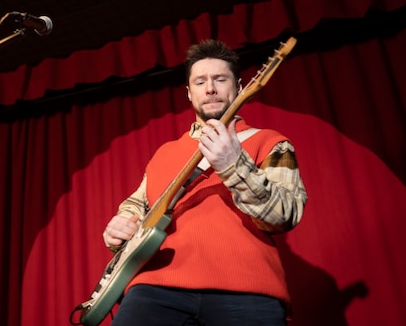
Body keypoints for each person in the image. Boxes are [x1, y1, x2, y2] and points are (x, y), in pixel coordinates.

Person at [102, 39, 308, 326]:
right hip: (155, 288)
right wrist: (121, 225)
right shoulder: (165, 152)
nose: (210, 88)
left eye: (219, 79)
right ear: (189, 93)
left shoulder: (270, 142)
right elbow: (137, 205)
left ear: (238, 85)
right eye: (200, 82)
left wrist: (233, 165)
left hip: (246, 290)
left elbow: (284, 215)